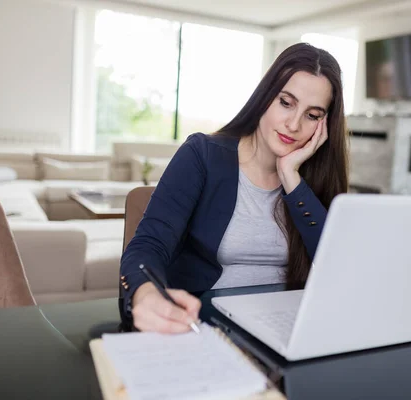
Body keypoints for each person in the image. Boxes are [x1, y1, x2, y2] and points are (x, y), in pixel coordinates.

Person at [119, 42, 349, 333]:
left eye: (312, 115)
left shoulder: (314, 180)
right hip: (205, 326)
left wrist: (292, 178)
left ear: (324, 125)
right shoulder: (202, 154)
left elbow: (337, 266)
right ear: (265, 97)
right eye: (286, 102)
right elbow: (148, 245)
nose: (293, 124)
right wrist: (146, 294)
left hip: (286, 332)